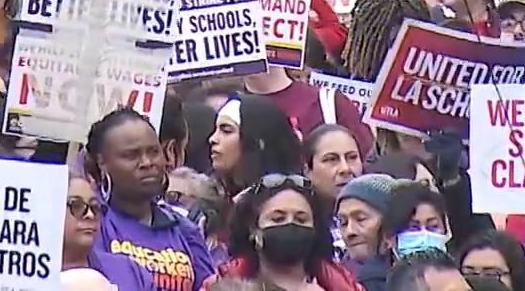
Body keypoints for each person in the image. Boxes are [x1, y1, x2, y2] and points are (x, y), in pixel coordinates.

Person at [84, 108, 214, 290]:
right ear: (101, 162)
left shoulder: (184, 230)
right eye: (131, 155)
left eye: (153, 152)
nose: (147, 162)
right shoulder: (90, 223)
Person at [218, 175, 363, 290]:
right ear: (253, 229)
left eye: (301, 220)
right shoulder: (221, 283)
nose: (290, 224)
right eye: (278, 219)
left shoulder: (344, 284)